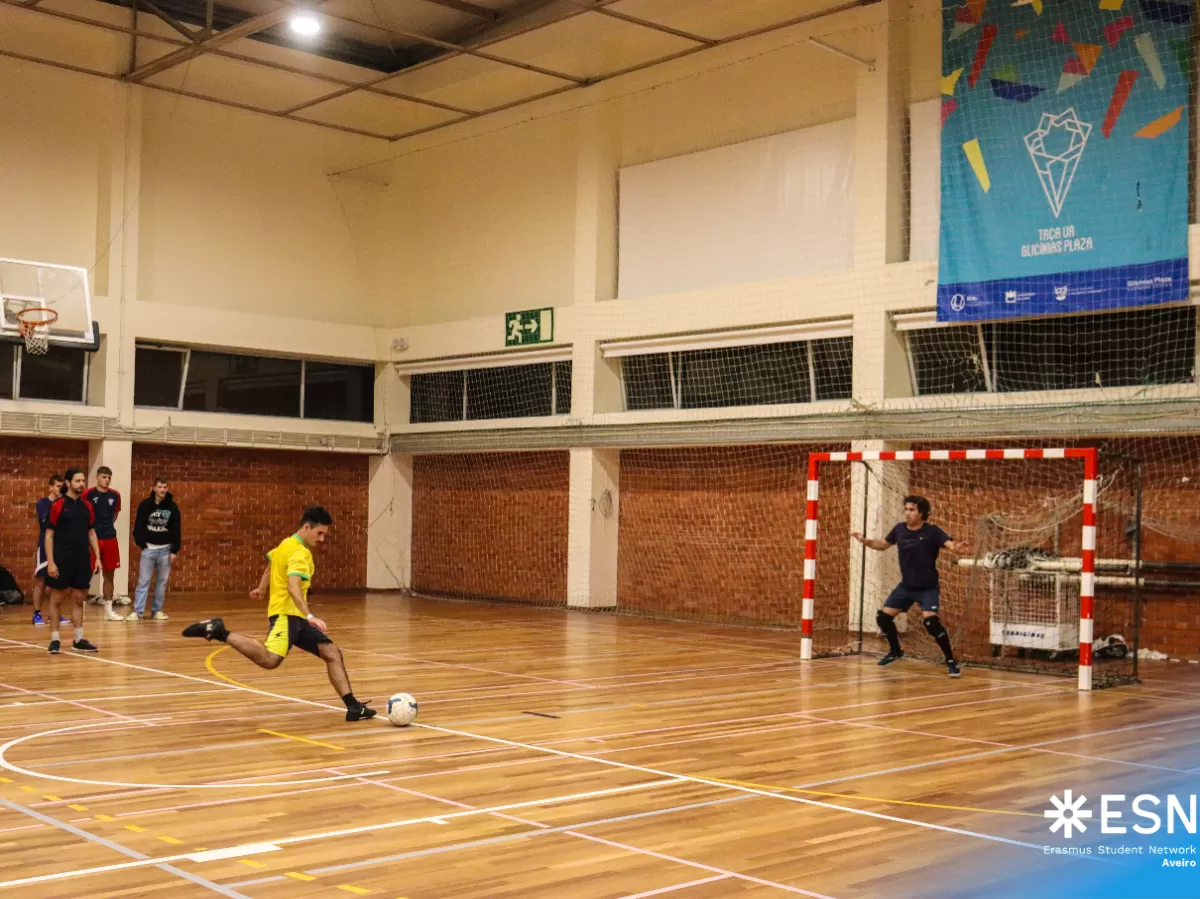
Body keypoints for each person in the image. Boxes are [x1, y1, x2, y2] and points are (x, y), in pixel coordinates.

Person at [182, 506, 376, 722]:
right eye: (319, 533)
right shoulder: (300, 553)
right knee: (269, 660)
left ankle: (353, 707)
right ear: (306, 527)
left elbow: (270, 566)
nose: (322, 539)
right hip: (287, 615)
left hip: (295, 617)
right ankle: (219, 631)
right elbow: (293, 587)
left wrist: (261, 588)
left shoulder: (285, 544)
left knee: (332, 652)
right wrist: (310, 616)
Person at [852, 494, 970, 678]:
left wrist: (958, 548)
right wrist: (865, 541)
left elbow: (951, 545)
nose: (907, 513)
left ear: (922, 513)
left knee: (931, 623)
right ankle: (896, 651)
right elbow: (882, 545)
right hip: (906, 587)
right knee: (883, 618)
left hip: (927, 588)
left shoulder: (932, 531)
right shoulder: (899, 529)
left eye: (912, 510)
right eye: (906, 509)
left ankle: (951, 661)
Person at [44, 468, 101, 654]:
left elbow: (91, 532)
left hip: (81, 559)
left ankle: (78, 639)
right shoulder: (58, 505)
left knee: (79, 598)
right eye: (77, 480)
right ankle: (55, 639)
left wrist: (98, 558)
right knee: (57, 598)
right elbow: (49, 535)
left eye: (83, 480)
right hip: (62, 559)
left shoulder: (87, 506)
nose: (82, 484)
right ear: (68, 483)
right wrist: (51, 562)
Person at [130, 477, 181, 621]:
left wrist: (174, 550)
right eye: (160, 487)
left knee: (162, 582)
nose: (163, 490)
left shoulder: (172, 507)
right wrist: (142, 545)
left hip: (165, 550)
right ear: (153, 488)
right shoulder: (145, 505)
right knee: (143, 581)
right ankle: (138, 611)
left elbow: (176, 530)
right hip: (149, 549)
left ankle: (157, 610)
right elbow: (138, 526)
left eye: (165, 487)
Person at [86, 466, 124, 621]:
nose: (107, 480)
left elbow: (114, 515)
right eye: (104, 477)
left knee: (109, 576)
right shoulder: (88, 494)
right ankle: (80, 610)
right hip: (91, 539)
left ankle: (109, 611)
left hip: (109, 538)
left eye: (109, 477)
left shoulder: (115, 495)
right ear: (97, 477)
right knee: (85, 575)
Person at [32, 474, 65, 626]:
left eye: (62, 486)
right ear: (51, 487)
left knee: (57, 582)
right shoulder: (43, 503)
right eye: (58, 486)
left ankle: (55, 613)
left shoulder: (65, 503)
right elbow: (46, 523)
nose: (60, 489)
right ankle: (37, 613)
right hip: (45, 546)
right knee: (41, 580)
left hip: (60, 546)